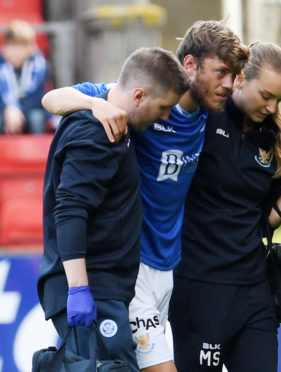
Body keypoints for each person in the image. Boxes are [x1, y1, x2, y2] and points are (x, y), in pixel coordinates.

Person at [41, 20, 249, 372]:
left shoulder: (212, 112)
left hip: (170, 267)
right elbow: (51, 98)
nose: (228, 84)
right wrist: (96, 104)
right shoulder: (144, 103)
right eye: (221, 72)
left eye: (234, 75)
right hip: (131, 267)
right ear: (190, 66)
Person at [37, 46, 189, 372]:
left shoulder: (115, 120)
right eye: (163, 107)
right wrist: (79, 289)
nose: (165, 117)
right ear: (138, 95)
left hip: (105, 287)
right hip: (93, 286)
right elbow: (71, 210)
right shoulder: (97, 132)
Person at [169, 41, 281, 371]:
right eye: (266, 95)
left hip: (253, 289)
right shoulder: (202, 117)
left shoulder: (273, 140)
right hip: (200, 286)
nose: (272, 107)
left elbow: (266, 221)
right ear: (239, 80)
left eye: (280, 99)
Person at [0, 19, 50, 134]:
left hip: (31, 111)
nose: (14, 52)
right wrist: (9, 109)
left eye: (20, 47)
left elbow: (38, 99)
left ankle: (40, 151)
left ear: (30, 48)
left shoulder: (40, 66)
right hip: (5, 112)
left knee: (36, 118)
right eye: (11, 46)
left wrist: (17, 111)